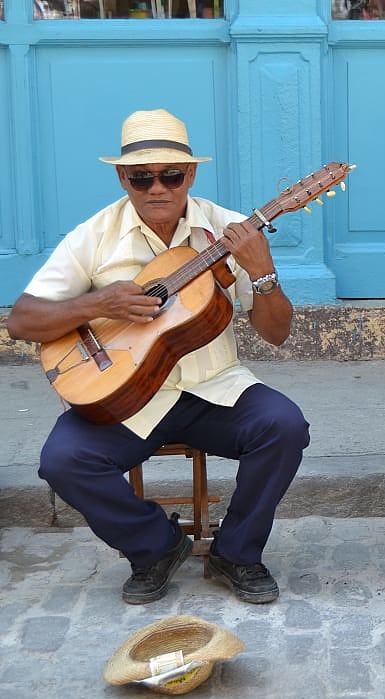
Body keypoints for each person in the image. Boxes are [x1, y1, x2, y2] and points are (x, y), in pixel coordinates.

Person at [6, 109, 310, 603]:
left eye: (171, 175)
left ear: (190, 174)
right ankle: (155, 546)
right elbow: (21, 319)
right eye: (140, 177)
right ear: (122, 177)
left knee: (285, 426)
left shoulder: (229, 231)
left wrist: (264, 270)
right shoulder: (95, 235)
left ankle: (236, 553)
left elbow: (277, 334)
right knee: (62, 460)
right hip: (127, 398)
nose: (157, 188)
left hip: (214, 389)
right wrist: (98, 303)